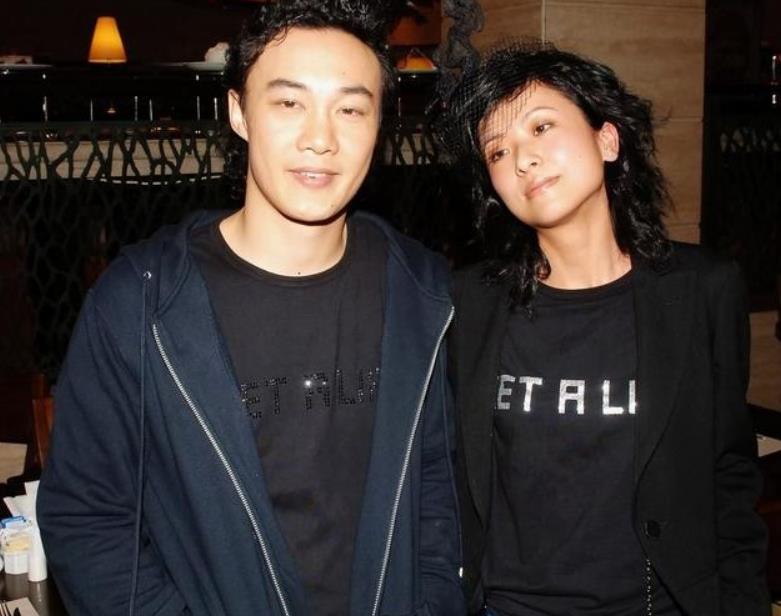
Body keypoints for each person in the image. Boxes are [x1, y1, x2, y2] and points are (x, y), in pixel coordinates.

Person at [37, 2, 465, 615]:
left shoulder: (422, 292)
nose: (320, 138)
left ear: (380, 124)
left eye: (350, 109)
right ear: (239, 112)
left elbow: (439, 490)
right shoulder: (143, 302)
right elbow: (87, 518)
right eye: (289, 102)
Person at [443, 40, 769, 615]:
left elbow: (729, 474)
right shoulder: (468, 303)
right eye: (497, 151)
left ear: (608, 139)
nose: (522, 159)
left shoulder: (702, 291)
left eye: (542, 127)